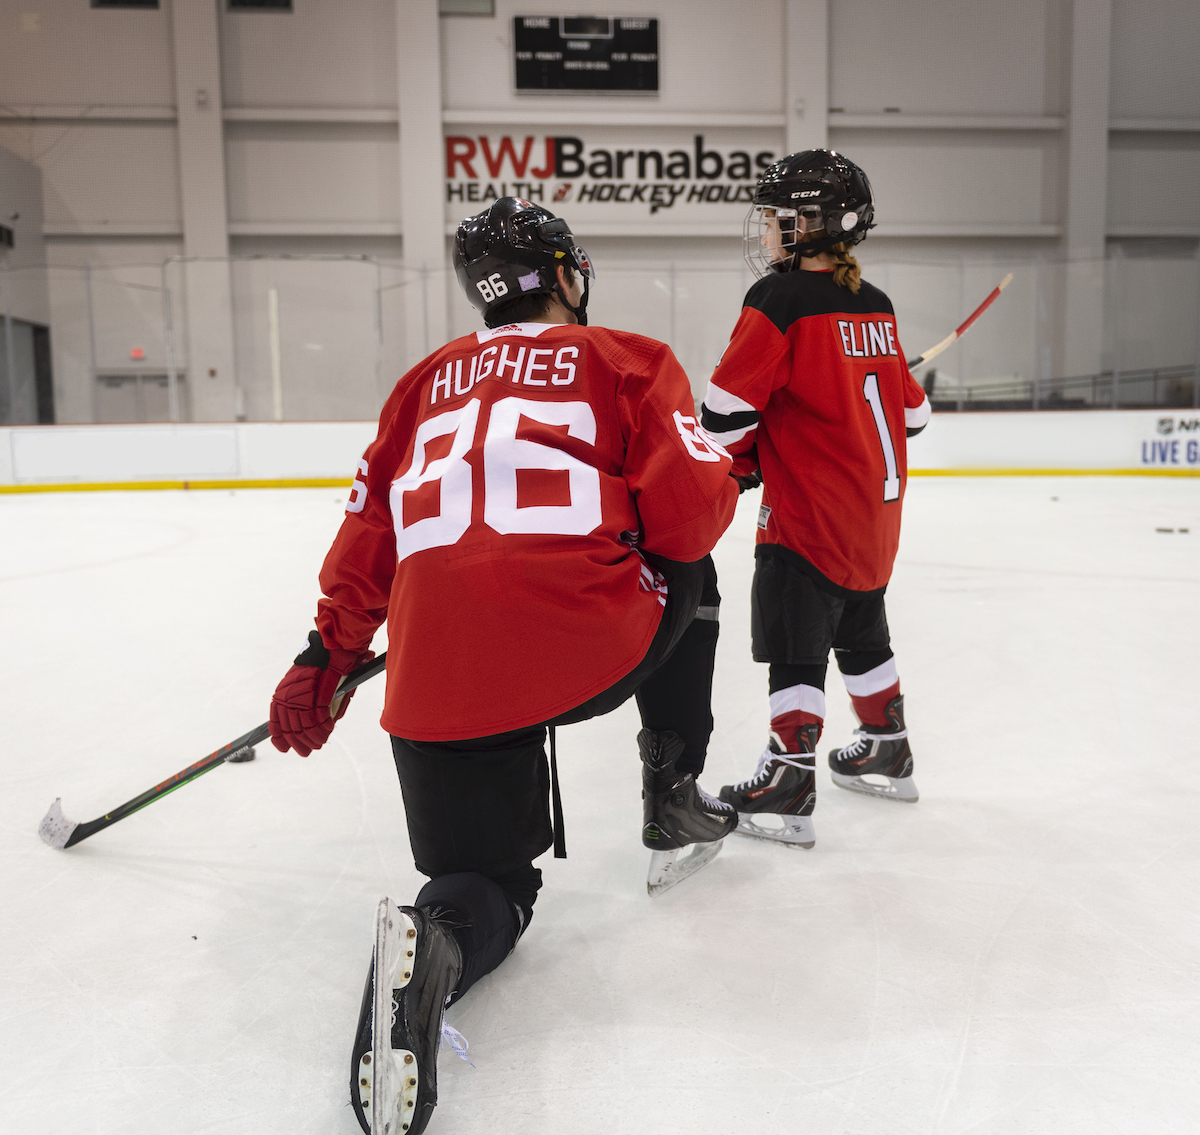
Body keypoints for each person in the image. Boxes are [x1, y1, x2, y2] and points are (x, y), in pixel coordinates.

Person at [267, 197, 738, 1135]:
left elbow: (369, 530)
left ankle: (433, 941)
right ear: (565, 274)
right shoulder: (627, 358)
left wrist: (327, 652)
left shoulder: (420, 382)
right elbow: (687, 519)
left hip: (437, 675)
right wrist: (723, 472)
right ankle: (671, 788)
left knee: (487, 885)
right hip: (592, 642)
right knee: (699, 571)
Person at [699, 150, 931, 849]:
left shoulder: (780, 301)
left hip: (809, 516)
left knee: (797, 647)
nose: (768, 229)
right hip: (874, 521)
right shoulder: (877, 306)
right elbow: (914, 419)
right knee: (862, 629)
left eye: (779, 218)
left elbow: (722, 415)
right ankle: (887, 743)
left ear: (816, 224)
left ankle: (789, 778)